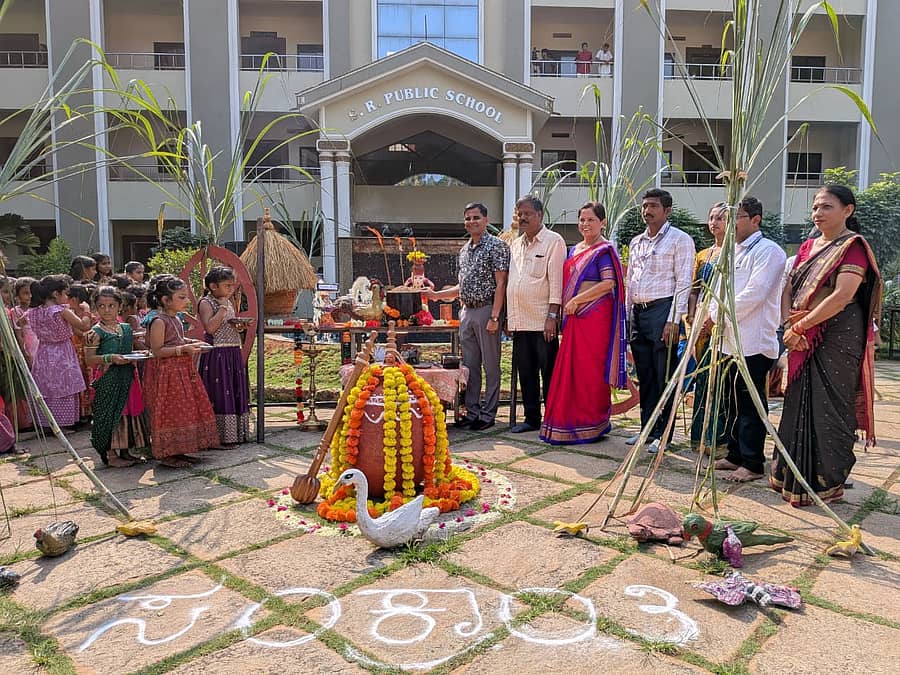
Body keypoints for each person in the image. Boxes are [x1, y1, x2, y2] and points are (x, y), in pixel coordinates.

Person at [771, 185, 882, 506]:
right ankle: (792, 477)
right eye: (815, 207)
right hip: (801, 334)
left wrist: (801, 326)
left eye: (826, 207)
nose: (817, 213)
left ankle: (827, 482)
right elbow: (789, 288)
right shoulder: (807, 247)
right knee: (797, 402)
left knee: (830, 405)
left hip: (837, 335)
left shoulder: (853, 247)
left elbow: (842, 295)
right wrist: (790, 325)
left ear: (848, 210)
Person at [704, 197, 786, 482]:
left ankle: (752, 462)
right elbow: (716, 289)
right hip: (727, 339)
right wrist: (712, 313)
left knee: (750, 403)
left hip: (752, 340)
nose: (729, 224)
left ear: (755, 219)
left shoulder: (769, 251)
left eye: (735, 217)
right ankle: (735, 454)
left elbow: (755, 293)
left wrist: (719, 314)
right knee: (731, 400)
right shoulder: (730, 251)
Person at [541, 202, 627, 444]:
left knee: (590, 371)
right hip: (574, 319)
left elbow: (608, 283)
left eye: (591, 220)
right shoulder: (573, 250)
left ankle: (592, 423)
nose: (585, 224)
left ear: (603, 222)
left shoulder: (604, 250)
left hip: (594, 318)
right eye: (582, 220)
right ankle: (567, 422)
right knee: (572, 370)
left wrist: (578, 300)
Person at [425, 203, 509, 430]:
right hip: (467, 312)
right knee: (470, 367)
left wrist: (495, 317)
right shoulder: (464, 251)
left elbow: (501, 283)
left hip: (487, 310)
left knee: (491, 366)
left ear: (486, 220)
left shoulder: (497, 246)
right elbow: (462, 287)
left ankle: (488, 414)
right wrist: (435, 296)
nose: (472, 222)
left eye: (476, 217)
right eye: (468, 218)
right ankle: (472, 412)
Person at [626, 188, 696, 453]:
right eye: (645, 206)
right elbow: (631, 280)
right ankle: (646, 429)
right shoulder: (637, 241)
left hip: (663, 311)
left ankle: (663, 435)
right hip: (638, 312)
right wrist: (627, 316)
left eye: (653, 206)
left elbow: (684, 281)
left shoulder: (680, 239)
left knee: (663, 375)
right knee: (644, 375)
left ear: (667, 211)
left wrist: (673, 320)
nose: (647, 211)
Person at [143, 274, 220, 467]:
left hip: (182, 372)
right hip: (167, 374)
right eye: (182, 297)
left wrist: (193, 342)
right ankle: (167, 454)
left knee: (183, 410)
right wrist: (182, 349)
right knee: (169, 411)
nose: (186, 301)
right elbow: (157, 350)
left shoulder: (175, 319)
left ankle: (180, 450)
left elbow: (176, 339)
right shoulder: (159, 321)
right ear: (165, 300)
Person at [505, 196, 565, 433]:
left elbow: (556, 282)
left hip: (542, 321)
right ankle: (531, 419)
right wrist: (509, 317)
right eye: (520, 213)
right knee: (526, 372)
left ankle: (552, 418)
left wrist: (552, 316)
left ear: (540, 214)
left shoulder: (553, 241)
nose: (522, 218)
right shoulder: (515, 244)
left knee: (548, 372)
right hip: (520, 320)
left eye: (527, 213)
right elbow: (513, 281)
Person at [84, 286, 150, 467]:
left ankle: (126, 451)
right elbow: (90, 359)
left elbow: (129, 350)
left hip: (127, 376)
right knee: (109, 414)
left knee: (127, 412)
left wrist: (141, 354)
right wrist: (110, 358)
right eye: (101, 306)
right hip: (108, 378)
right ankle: (111, 455)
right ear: (95, 307)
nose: (107, 310)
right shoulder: (94, 333)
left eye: (111, 306)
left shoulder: (126, 328)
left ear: (120, 306)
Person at [686, 203, 729, 454]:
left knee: (719, 377)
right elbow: (694, 290)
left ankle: (720, 439)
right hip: (701, 316)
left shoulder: (734, 253)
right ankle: (700, 438)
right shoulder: (703, 255)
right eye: (712, 217)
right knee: (702, 376)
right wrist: (692, 317)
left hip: (722, 318)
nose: (714, 222)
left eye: (720, 218)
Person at [27, 275, 91, 428]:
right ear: (56, 294)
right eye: (65, 293)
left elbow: (20, 322)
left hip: (43, 351)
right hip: (62, 352)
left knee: (46, 386)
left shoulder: (33, 311)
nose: (67, 297)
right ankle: (62, 422)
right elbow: (83, 326)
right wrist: (87, 311)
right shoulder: (61, 311)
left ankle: (46, 421)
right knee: (64, 385)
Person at [198, 266, 251, 445]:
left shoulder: (227, 301)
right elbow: (210, 328)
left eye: (232, 285)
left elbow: (228, 324)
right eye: (227, 285)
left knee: (234, 390)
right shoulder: (206, 302)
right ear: (213, 286)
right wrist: (221, 309)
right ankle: (219, 437)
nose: (231, 289)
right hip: (217, 353)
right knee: (220, 393)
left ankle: (235, 434)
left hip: (233, 351)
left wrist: (239, 327)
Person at [11, 277, 38, 367]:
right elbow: (19, 334)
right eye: (26, 293)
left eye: (32, 293)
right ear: (17, 295)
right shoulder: (16, 311)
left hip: (39, 344)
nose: (30, 296)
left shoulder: (37, 309)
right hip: (28, 345)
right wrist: (24, 352)